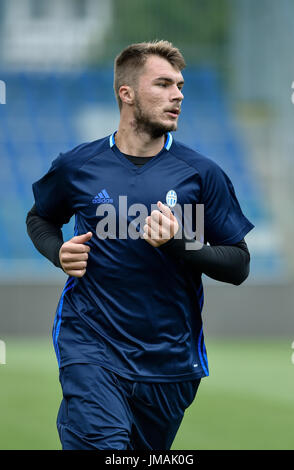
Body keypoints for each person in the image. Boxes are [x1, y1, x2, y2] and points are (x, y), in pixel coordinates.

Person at [26, 40, 254, 450]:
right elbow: (40, 216)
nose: (178, 95)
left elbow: (238, 264)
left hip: (170, 362)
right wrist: (56, 251)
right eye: (163, 84)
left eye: (180, 85)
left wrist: (179, 244)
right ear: (126, 93)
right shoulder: (77, 166)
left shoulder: (201, 174)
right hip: (90, 343)